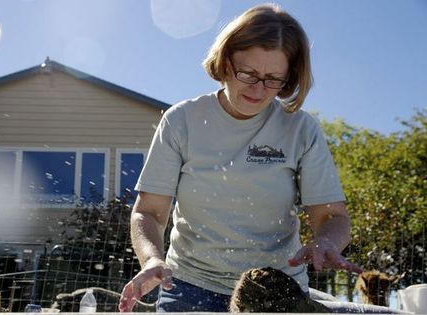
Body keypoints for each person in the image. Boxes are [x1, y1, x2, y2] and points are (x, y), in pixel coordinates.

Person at [119, 3, 363, 313]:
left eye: (274, 79)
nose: (259, 90)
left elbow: (333, 218)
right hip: (191, 286)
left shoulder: (300, 129)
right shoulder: (181, 121)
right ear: (225, 61)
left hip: (275, 288)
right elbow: (149, 213)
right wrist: (152, 258)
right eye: (248, 73)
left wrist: (327, 241)